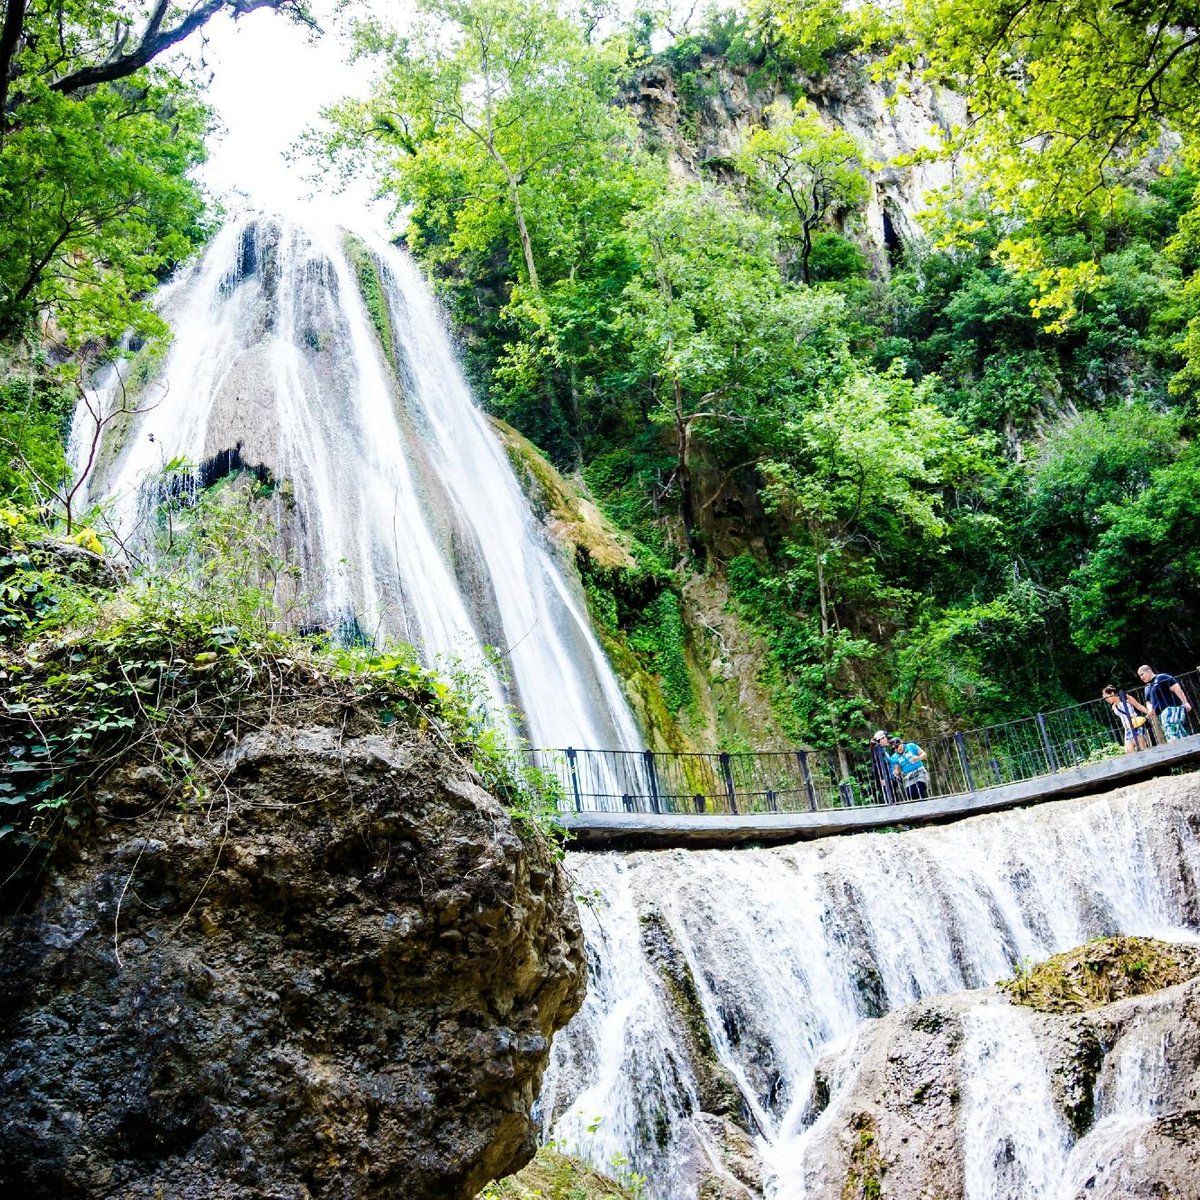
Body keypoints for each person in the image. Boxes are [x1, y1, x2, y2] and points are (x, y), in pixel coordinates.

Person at [1137, 664, 1193, 742]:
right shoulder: (1147, 688)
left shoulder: (1162, 677)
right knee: (1178, 731)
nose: (1141, 677)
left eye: (1142, 674)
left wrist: (1185, 702)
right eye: (1140, 676)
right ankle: (1190, 744)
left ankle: (1176, 748)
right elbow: (1148, 701)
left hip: (1172, 708)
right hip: (1160, 713)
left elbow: (1176, 688)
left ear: (1149, 671)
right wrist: (1150, 709)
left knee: (1170, 730)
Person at [1102, 685, 1150, 753]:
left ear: (1112, 693)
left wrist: (1149, 712)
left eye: (1106, 697)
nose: (1106, 700)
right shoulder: (1114, 706)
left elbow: (1138, 706)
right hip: (1127, 727)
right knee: (1128, 751)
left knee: (1141, 747)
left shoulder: (1126, 698)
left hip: (1135, 724)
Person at [889, 735, 930, 800]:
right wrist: (896, 772)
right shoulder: (894, 757)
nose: (896, 750)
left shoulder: (911, 746)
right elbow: (898, 771)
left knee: (920, 788)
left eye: (897, 746)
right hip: (908, 777)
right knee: (911, 794)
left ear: (901, 743)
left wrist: (918, 758)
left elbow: (924, 754)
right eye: (893, 749)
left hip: (920, 772)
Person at [869, 730, 901, 803]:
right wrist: (881, 778)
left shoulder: (883, 750)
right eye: (886, 738)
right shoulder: (877, 750)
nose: (887, 740)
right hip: (885, 779)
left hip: (890, 778)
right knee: (891, 800)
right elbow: (876, 766)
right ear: (881, 739)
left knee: (895, 799)